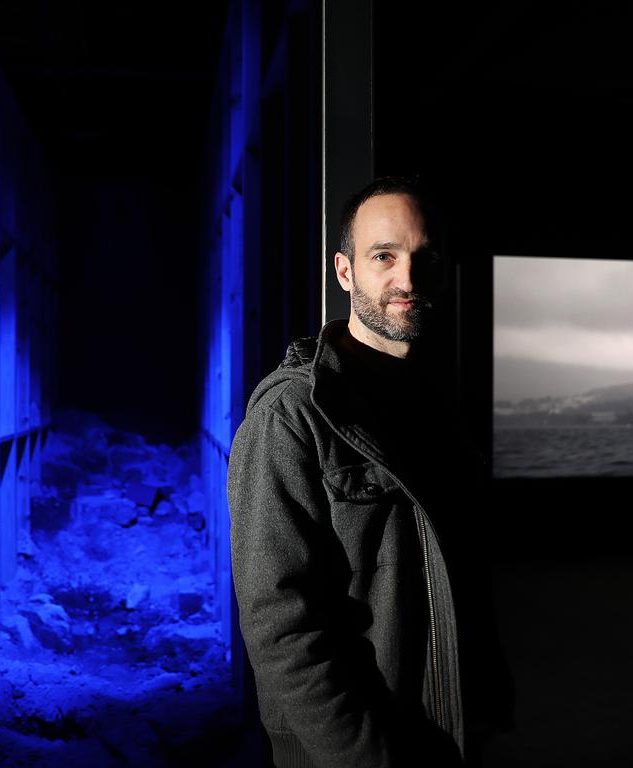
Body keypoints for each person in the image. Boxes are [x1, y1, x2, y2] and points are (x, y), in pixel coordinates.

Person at [227, 176, 513, 767]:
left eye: (423, 259)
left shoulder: (437, 406)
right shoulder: (292, 415)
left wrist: (489, 701)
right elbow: (282, 626)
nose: (407, 279)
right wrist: (367, 758)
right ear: (345, 272)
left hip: (449, 730)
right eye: (384, 256)